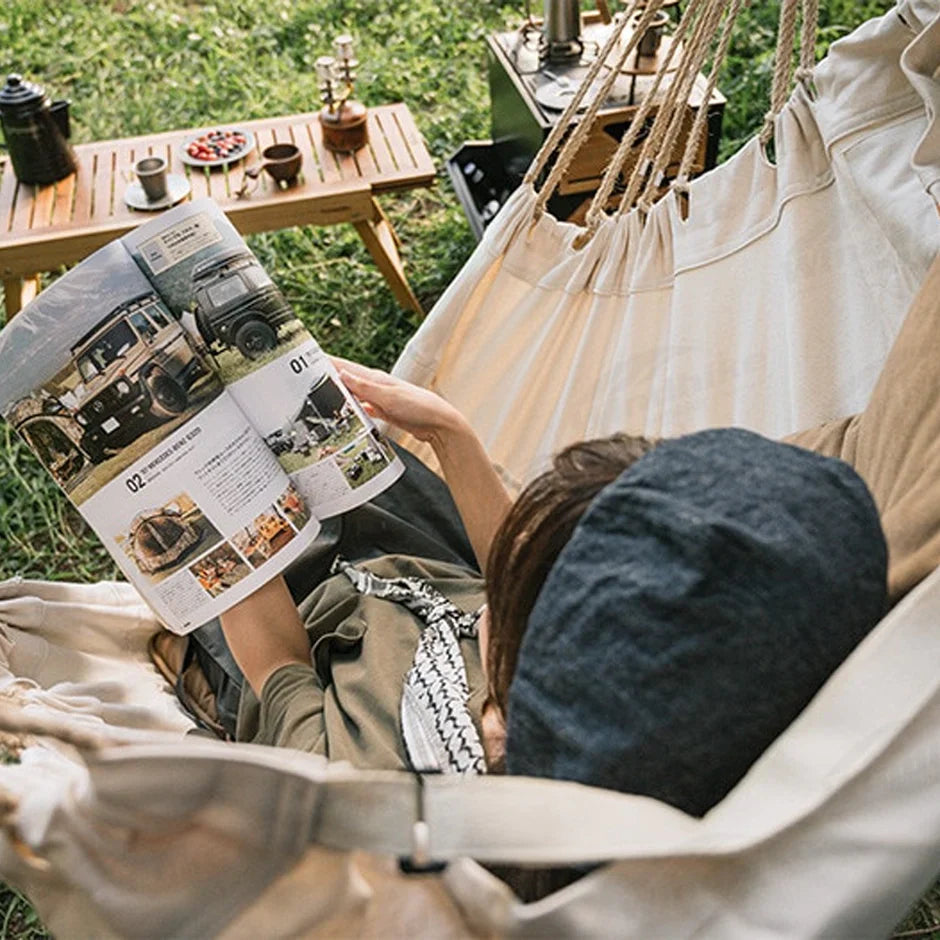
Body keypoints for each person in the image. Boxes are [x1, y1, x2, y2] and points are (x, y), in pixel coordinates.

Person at [153, 254, 938, 825]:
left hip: (290, 613)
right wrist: (453, 437)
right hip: (426, 569)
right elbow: (512, 579)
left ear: (529, 657)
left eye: (542, 579)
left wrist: (229, 533)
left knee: (207, 468)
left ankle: (184, 641)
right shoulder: (632, 707)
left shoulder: (366, 777)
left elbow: (280, 665)